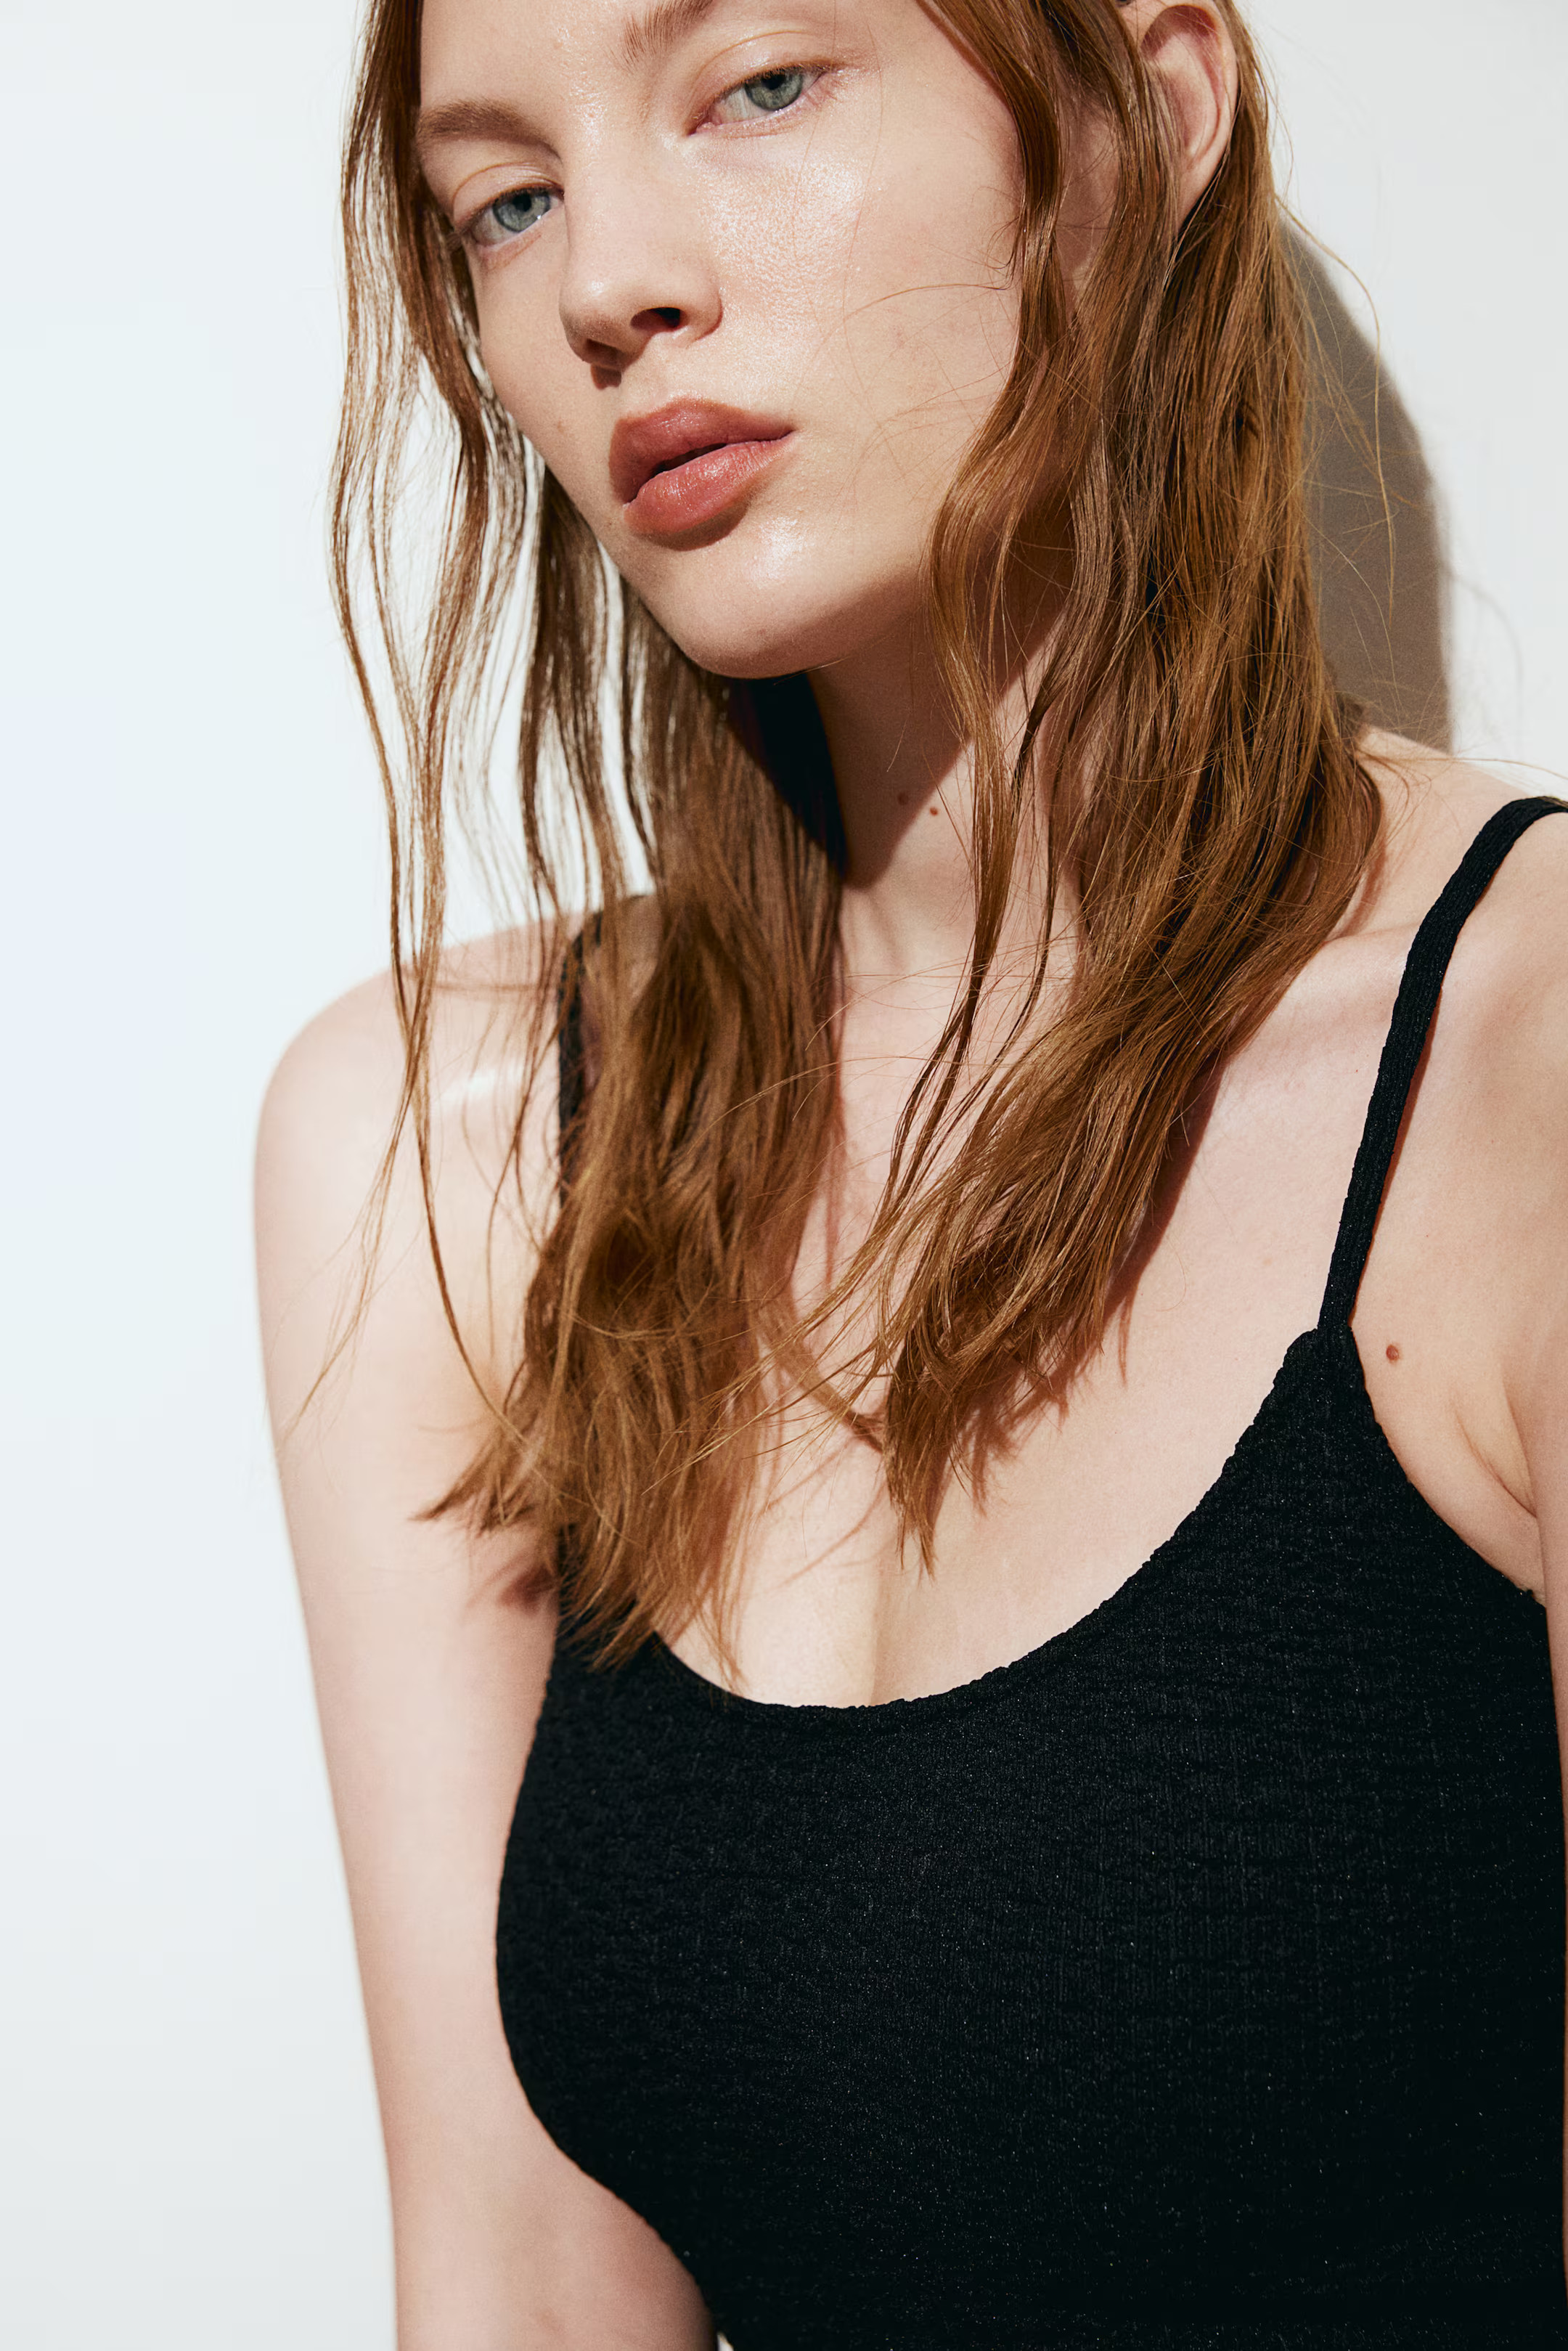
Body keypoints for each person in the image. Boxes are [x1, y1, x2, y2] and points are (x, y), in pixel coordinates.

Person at [255, 0, 1568, 2340]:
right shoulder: (452, 1144)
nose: (607, 282)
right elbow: (526, 2291)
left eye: (760, 85)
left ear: (1145, 113)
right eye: (507, 200)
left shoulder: (1525, 1069)